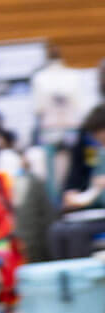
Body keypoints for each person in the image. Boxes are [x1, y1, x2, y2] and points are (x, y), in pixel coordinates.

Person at [48, 106, 105, 259]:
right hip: (96, 212)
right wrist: (76, 196)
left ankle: (83, 279)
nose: (98, 140)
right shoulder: (97, 153)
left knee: (76, 232)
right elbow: (91, 187)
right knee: (57, 230)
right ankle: (64, 277)